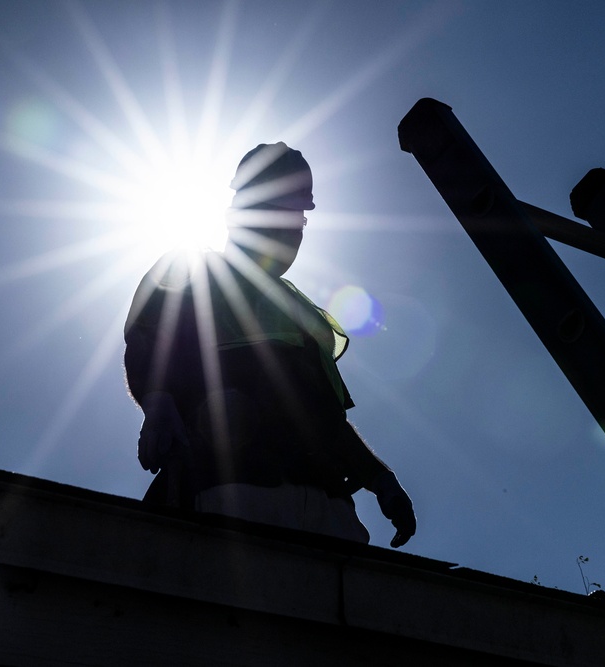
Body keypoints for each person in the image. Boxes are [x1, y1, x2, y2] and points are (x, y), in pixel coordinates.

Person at [124, 142, 416, 548]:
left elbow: (327, 420)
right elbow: (145, 339)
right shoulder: (191, 271)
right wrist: (157, 401)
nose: (289, 227)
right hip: (228, 491)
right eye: (274, 209)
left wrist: (379, 477)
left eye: (297, 216)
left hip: (329, 509)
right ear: (234, 214)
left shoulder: (304, 313)